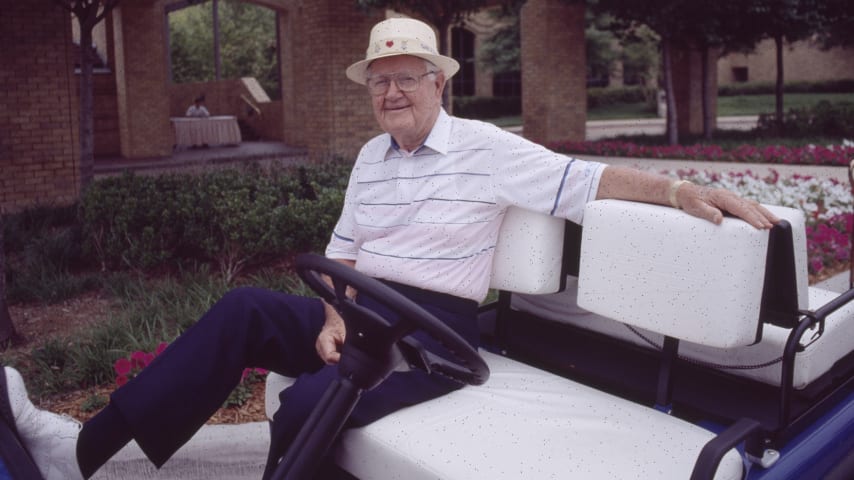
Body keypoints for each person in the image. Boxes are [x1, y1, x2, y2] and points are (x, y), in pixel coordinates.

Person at [4, 17, 780, 480]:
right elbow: (342, 251)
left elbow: (585, 180)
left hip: (432, 336)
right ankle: (83, 453)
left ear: (440, 83)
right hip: (357, 316)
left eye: (407, 79)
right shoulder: (372, 158)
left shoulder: (486, 149)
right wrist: (330, 313)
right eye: (379, 82)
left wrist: (678, 192)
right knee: (243, 308)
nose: (391, 94)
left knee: (309, 403)